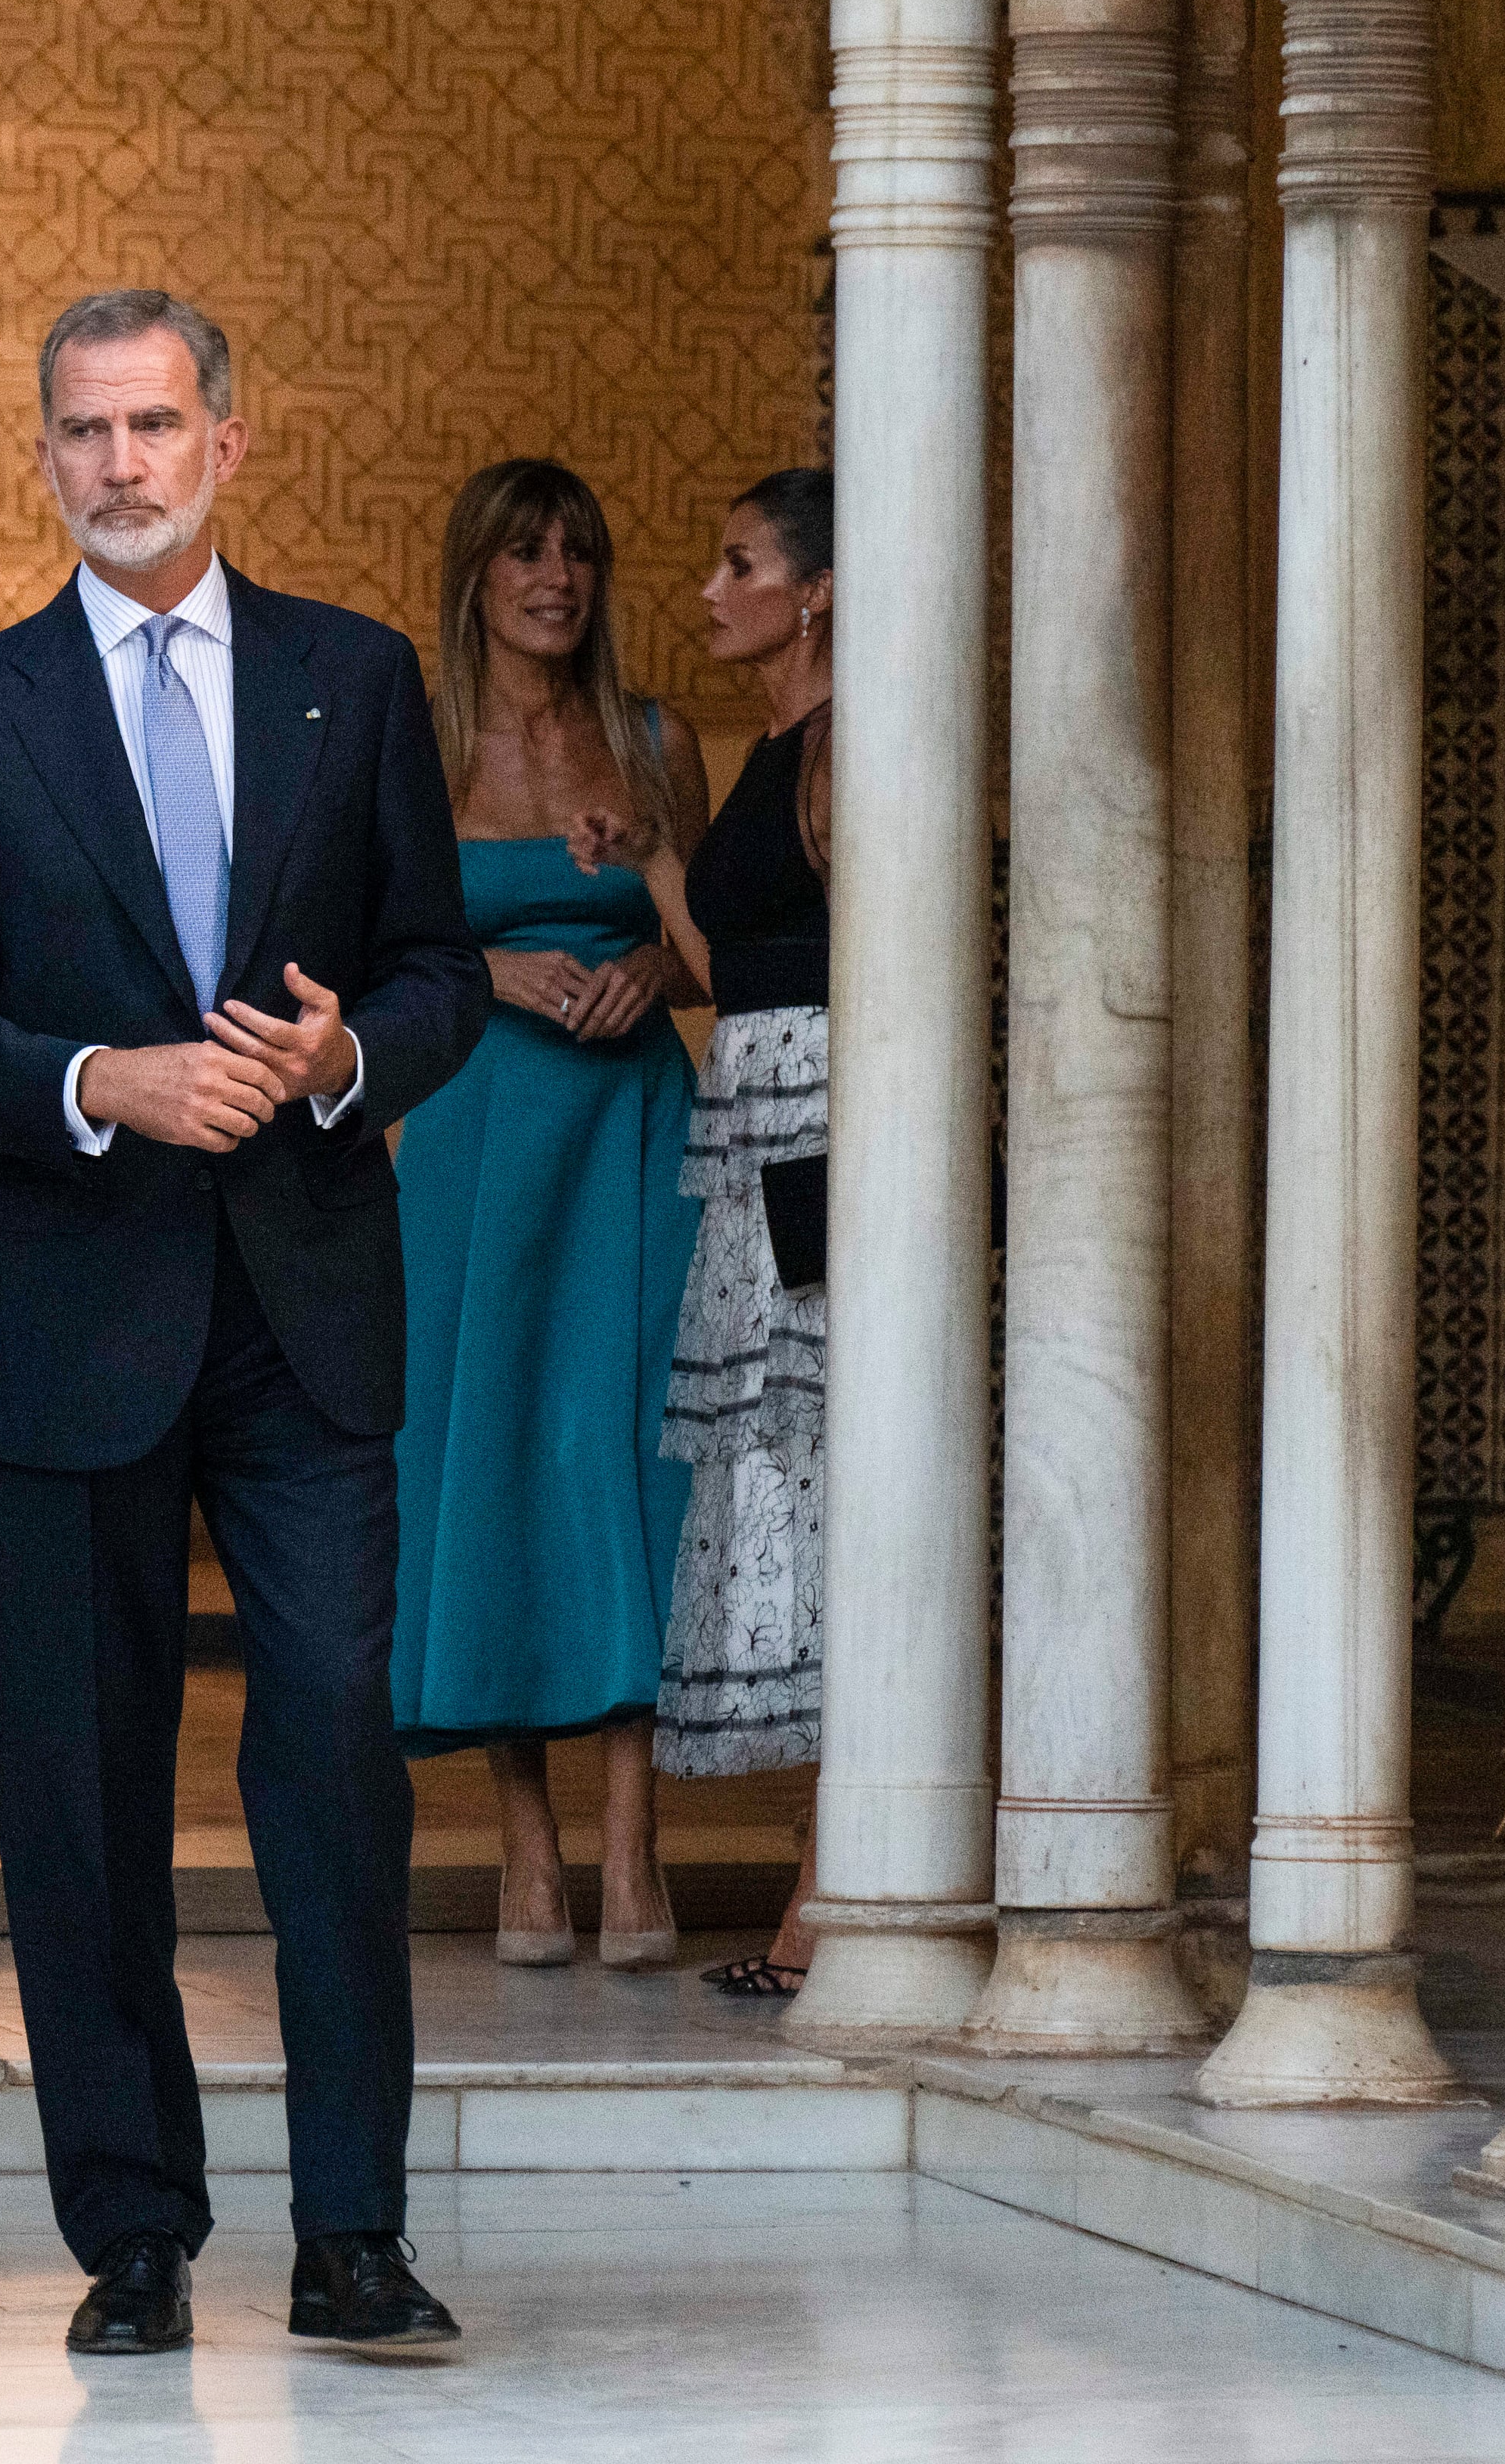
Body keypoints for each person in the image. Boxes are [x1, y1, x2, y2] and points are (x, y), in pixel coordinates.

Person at [0, 289, 490, 2359]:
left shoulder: (358, 678)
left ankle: (351, 2233)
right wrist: (96, 1078)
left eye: (153, 424)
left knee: (331, 1753)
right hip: (74, 1311)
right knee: (77, 1781)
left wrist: (341, 1058)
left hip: (304, 1309)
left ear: (230, 438)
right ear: (42, 457)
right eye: (81, 432)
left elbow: (437, 974)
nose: (118, 463)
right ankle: (132, 2232)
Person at [386, 458, 712, 1972]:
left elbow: (716, 945)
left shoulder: (651, 738)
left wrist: (654, 966)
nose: (554, 576)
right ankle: (525, 1851)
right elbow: (357, 958)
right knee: (491, 1455)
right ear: (475, 575)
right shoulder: (416, 747)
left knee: (637, 1453)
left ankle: (634, 1845)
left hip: (633, 1130)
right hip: (471, 1136)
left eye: (577, 549)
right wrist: (492, 973)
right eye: (524, 552)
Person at [650, 465, 836, 1998]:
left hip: (821, 1124)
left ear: (815, 590)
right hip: (753, 1105)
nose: (711, 590)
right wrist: (646, 857)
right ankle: (821, 1889)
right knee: (777, 1476)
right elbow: (736, 966)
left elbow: (873, 959)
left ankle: (827, 1902)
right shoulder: (771, 745)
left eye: (739, 562)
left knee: (823, 1479)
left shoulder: (844, 745)